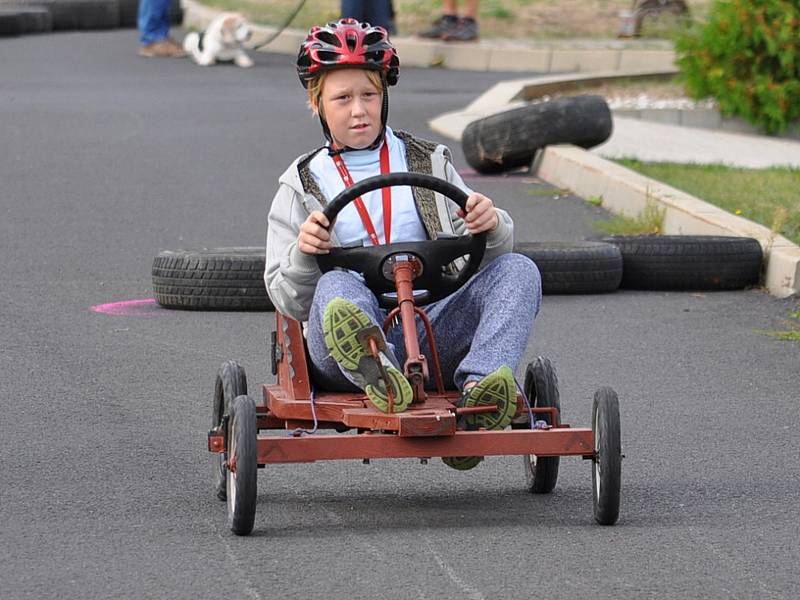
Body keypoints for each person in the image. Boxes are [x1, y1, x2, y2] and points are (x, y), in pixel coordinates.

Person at [264, 18, 541, 470]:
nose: (359, 110)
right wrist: (304, 252)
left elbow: (483, 257)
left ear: (384, 96)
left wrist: (491, 226)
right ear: (316, 104)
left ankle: (480, 395)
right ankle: (380, 372)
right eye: (343, 98)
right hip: (343, 351)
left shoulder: (428, 162)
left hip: (431, 325)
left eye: (369, 96)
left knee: (520, 270)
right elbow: (287, 298)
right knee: (337, 289)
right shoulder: (300, 185)